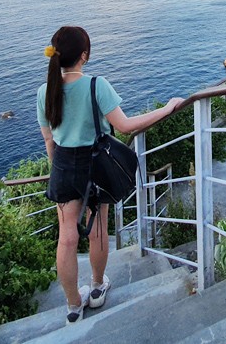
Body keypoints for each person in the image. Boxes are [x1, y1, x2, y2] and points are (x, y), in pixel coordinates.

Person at [37, 26, 184, 325]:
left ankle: (73, 305)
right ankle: (96, 287)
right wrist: (167, 109)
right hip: (95, 166)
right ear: (84, 56)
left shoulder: (44, 91)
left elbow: (50, 142)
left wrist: (59, 171)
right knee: (98, 231)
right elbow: (126, 126)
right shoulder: (96, 85)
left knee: (66, 239)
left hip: (64, 166)